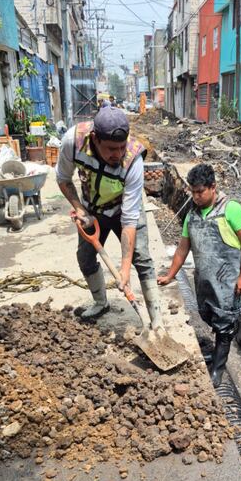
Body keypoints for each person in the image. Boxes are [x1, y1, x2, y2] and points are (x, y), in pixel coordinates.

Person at [56, 107, 161, 326]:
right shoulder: (72, 142)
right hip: (92, 208)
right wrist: (80, 209)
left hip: (124, 208)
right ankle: (101, 302)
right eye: (112, 149)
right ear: (95, 139)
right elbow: (63, 178)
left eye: (122, 147)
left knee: (141, 259)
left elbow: (130, 220)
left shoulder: (134, 159)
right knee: (85, 257)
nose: (119, 153)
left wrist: (124, 270)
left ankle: (157, 322)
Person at [157, 164, 241, 386]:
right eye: (192, 191)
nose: (196, 196)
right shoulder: (192, 214)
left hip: (227, 282)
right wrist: (171, 274)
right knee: (208, 315)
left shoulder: (231, 210)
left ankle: (218, 369)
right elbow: (183, 248)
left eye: (200, 192)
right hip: (204, 281)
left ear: (213, 187)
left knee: (225, 324)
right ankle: (217, 353)